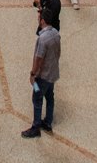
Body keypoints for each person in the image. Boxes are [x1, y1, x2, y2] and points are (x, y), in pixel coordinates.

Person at [21, 8, 60, 138]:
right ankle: (48, 122)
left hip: (41, 78)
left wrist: (33, 74)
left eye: (39, 18)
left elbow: (38, 59)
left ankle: (36, 127)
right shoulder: (56, 33)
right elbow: (58, 52)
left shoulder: (42, 39)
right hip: (52, 75)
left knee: (37, 98)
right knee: (50, 97)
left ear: (42, 20)